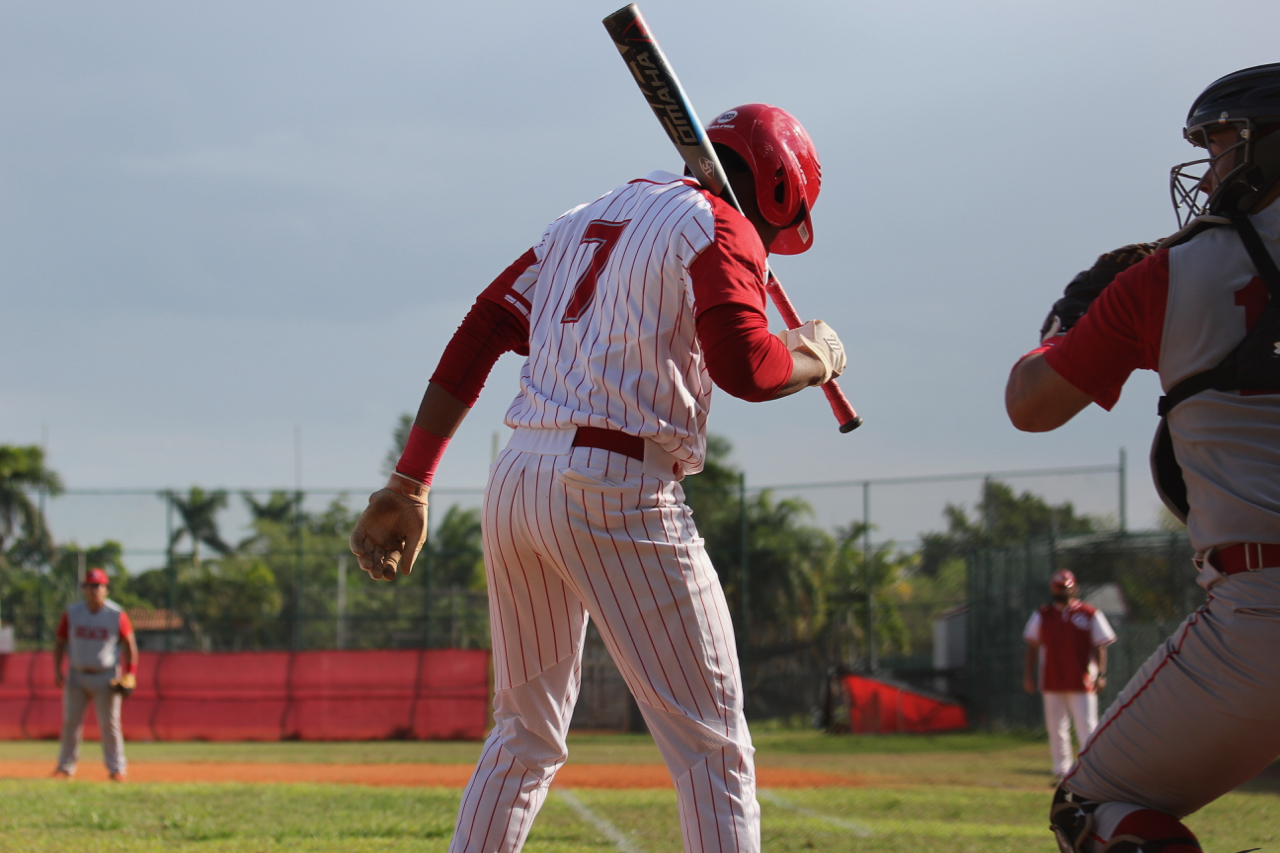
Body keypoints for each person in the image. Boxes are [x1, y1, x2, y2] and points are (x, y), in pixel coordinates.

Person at [349, 103, 844, 853]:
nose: (775, 246)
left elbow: (483, 327)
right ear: (774, 193)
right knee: (713, 747)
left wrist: (412, 478)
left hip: (518, 478)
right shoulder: (722, 225)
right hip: (617, 485)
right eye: (783, 227)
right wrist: (815, 357)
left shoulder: (582, 217)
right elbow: (748, 365)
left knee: (523, 736)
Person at [1006, 63, 1280, 853]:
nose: (1213, 165)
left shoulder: (1171, 272)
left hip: (1262, 610)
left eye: (1226, 144)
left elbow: (1030, 404)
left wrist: (1067, 325)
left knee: (1093, 805)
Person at [1022, 570, 1116, 785]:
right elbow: (1032, 646)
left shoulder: (1089, 613)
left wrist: (1101, 674)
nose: (1061, 591)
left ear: (1074, 588)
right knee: (1056, 727)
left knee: (1087, 726)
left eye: (1064, 587)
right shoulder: (1043, 615)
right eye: (1057, 587)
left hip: (1082, 680)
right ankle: (1062, 772)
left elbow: (1100, 645)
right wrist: (1028, 674)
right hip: (1052, 679)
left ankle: (1091, 772)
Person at [52, 567, 137, 781]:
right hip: (77, 675)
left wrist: (131, 673)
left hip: (106, 676)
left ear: (106, 589)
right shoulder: (72, 612)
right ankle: (65, 767)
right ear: (84, 589)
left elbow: (129, 645)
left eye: (98, 586)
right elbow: (60, 642)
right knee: (71, 723)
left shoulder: (116, 614)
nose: (93, 590)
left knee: (110, 724)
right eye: (89, 586)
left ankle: (117, 769)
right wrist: (57, 670)